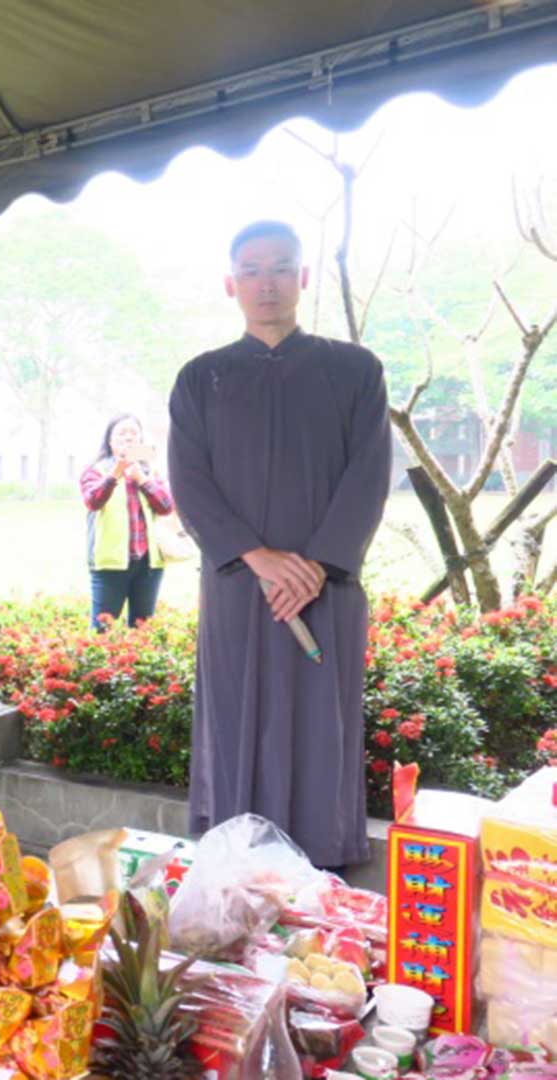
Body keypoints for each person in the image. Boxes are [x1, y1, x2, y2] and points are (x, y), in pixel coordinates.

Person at [167, 220, 391, 871]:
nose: (265, 283)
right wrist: (259, 559)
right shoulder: (200, 378)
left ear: (302, 277)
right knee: (236, 718)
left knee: (321, 722)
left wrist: (316, 566)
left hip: (327, 588)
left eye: (278, 267)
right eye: (251, 270)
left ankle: (320, 863)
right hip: (241, 587)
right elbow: (190, 482)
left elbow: (367, 475)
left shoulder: (352, 370)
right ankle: (234, 859)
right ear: (229, 283)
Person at [79, 414, 175, 630]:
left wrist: (142, 478)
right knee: (103, 630)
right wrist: (115, 474)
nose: (128, 438)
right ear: (110, 441)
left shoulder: (150, 470)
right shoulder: (96, 470)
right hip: (110, 563)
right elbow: (92, 501)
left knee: (142, 629)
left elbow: (166, 506)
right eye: (122, 433)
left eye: (134, 433)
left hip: (148, 563)